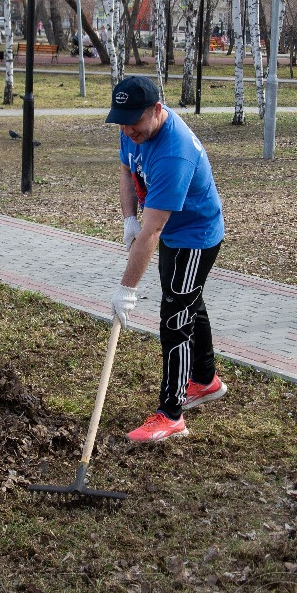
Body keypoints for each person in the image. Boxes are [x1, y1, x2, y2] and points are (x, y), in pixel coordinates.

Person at [106, 76, 227, 443]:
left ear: (157, 110)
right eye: (122, 123)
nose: (128, 131)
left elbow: (152, 232)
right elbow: (126, 167)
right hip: (172, 230)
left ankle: (171, 415)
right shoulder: (132, 128)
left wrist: (127, 289)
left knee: (175, 318)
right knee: (188, 301)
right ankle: (205, 380)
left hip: (193, 236)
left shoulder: (174, 153)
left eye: (134, 123)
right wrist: (129, 217)